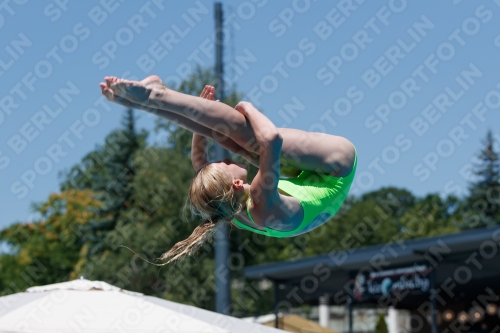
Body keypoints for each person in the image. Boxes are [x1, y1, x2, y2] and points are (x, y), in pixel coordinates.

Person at [99, 76, 357, 264]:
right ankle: (157, 95)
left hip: (306, 181)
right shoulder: (260, 201)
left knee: (226, 137)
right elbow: (272, 139)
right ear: (234, 184)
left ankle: (146, 102)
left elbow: (200, 162)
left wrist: (200, 112)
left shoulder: (228, 208)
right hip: (337, 165)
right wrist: (248, 108)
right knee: (248, 138)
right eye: (223, 165)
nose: (223, 160)